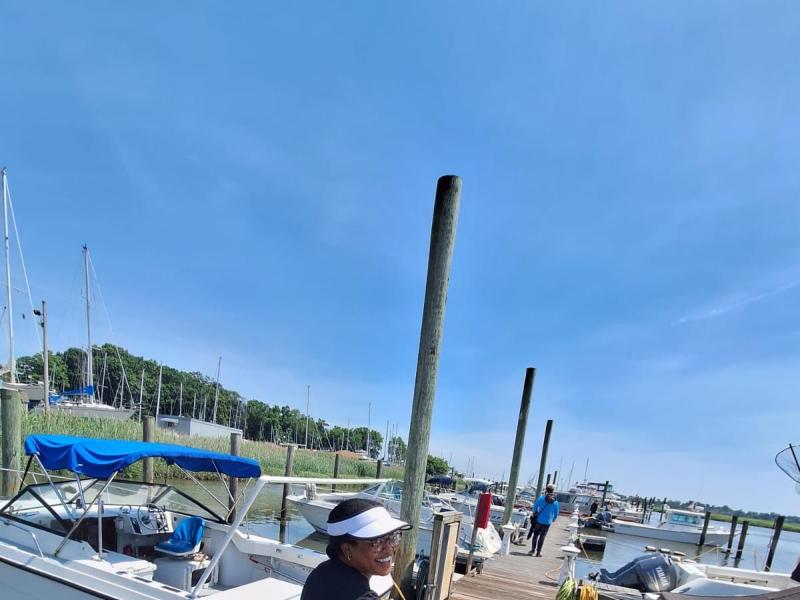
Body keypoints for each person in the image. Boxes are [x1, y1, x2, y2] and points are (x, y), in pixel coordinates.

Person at [301, 498, 411, 600]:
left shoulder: (323, 572)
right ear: (347, 549)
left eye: (394, 537)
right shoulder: (360, 596)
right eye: (376, 541)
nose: (389, 549)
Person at [528, 483, 560, 557]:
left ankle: (532, 550)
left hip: (539, 520)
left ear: (546, 490)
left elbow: (535, 508)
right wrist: (553, 519)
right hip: (548, 521)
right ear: (553, 491)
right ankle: (538, 553)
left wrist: (534, 513)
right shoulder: (555, 502)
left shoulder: (541, 498)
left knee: (535, 535)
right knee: (542, 536)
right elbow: (556, 513)